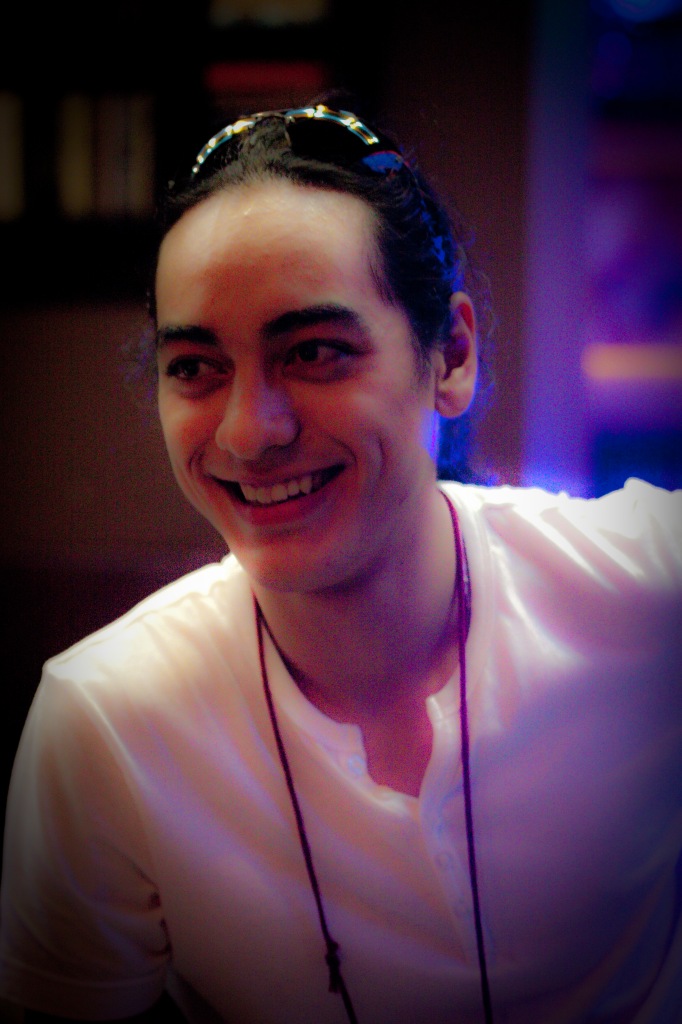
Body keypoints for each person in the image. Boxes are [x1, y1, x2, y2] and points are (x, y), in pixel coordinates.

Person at [0, 98, 681, 1024]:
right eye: (195, 368)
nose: (248, 433)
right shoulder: (107, 723)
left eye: (314, 351)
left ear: (452, 356)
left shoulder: (644, 588)